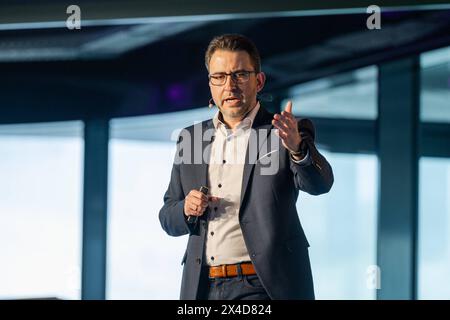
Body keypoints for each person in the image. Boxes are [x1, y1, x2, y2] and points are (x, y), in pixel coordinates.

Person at [159, 34, 333, 300]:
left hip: (263, 285)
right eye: (219, 76)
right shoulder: (191, 139)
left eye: (240, 75)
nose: (230, 85)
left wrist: (298, 147)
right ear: (210, 83)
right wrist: (185, 208)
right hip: (202, 286)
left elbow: (320, 184)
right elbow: (168, 217)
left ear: (259, 81)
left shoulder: (282, 132)